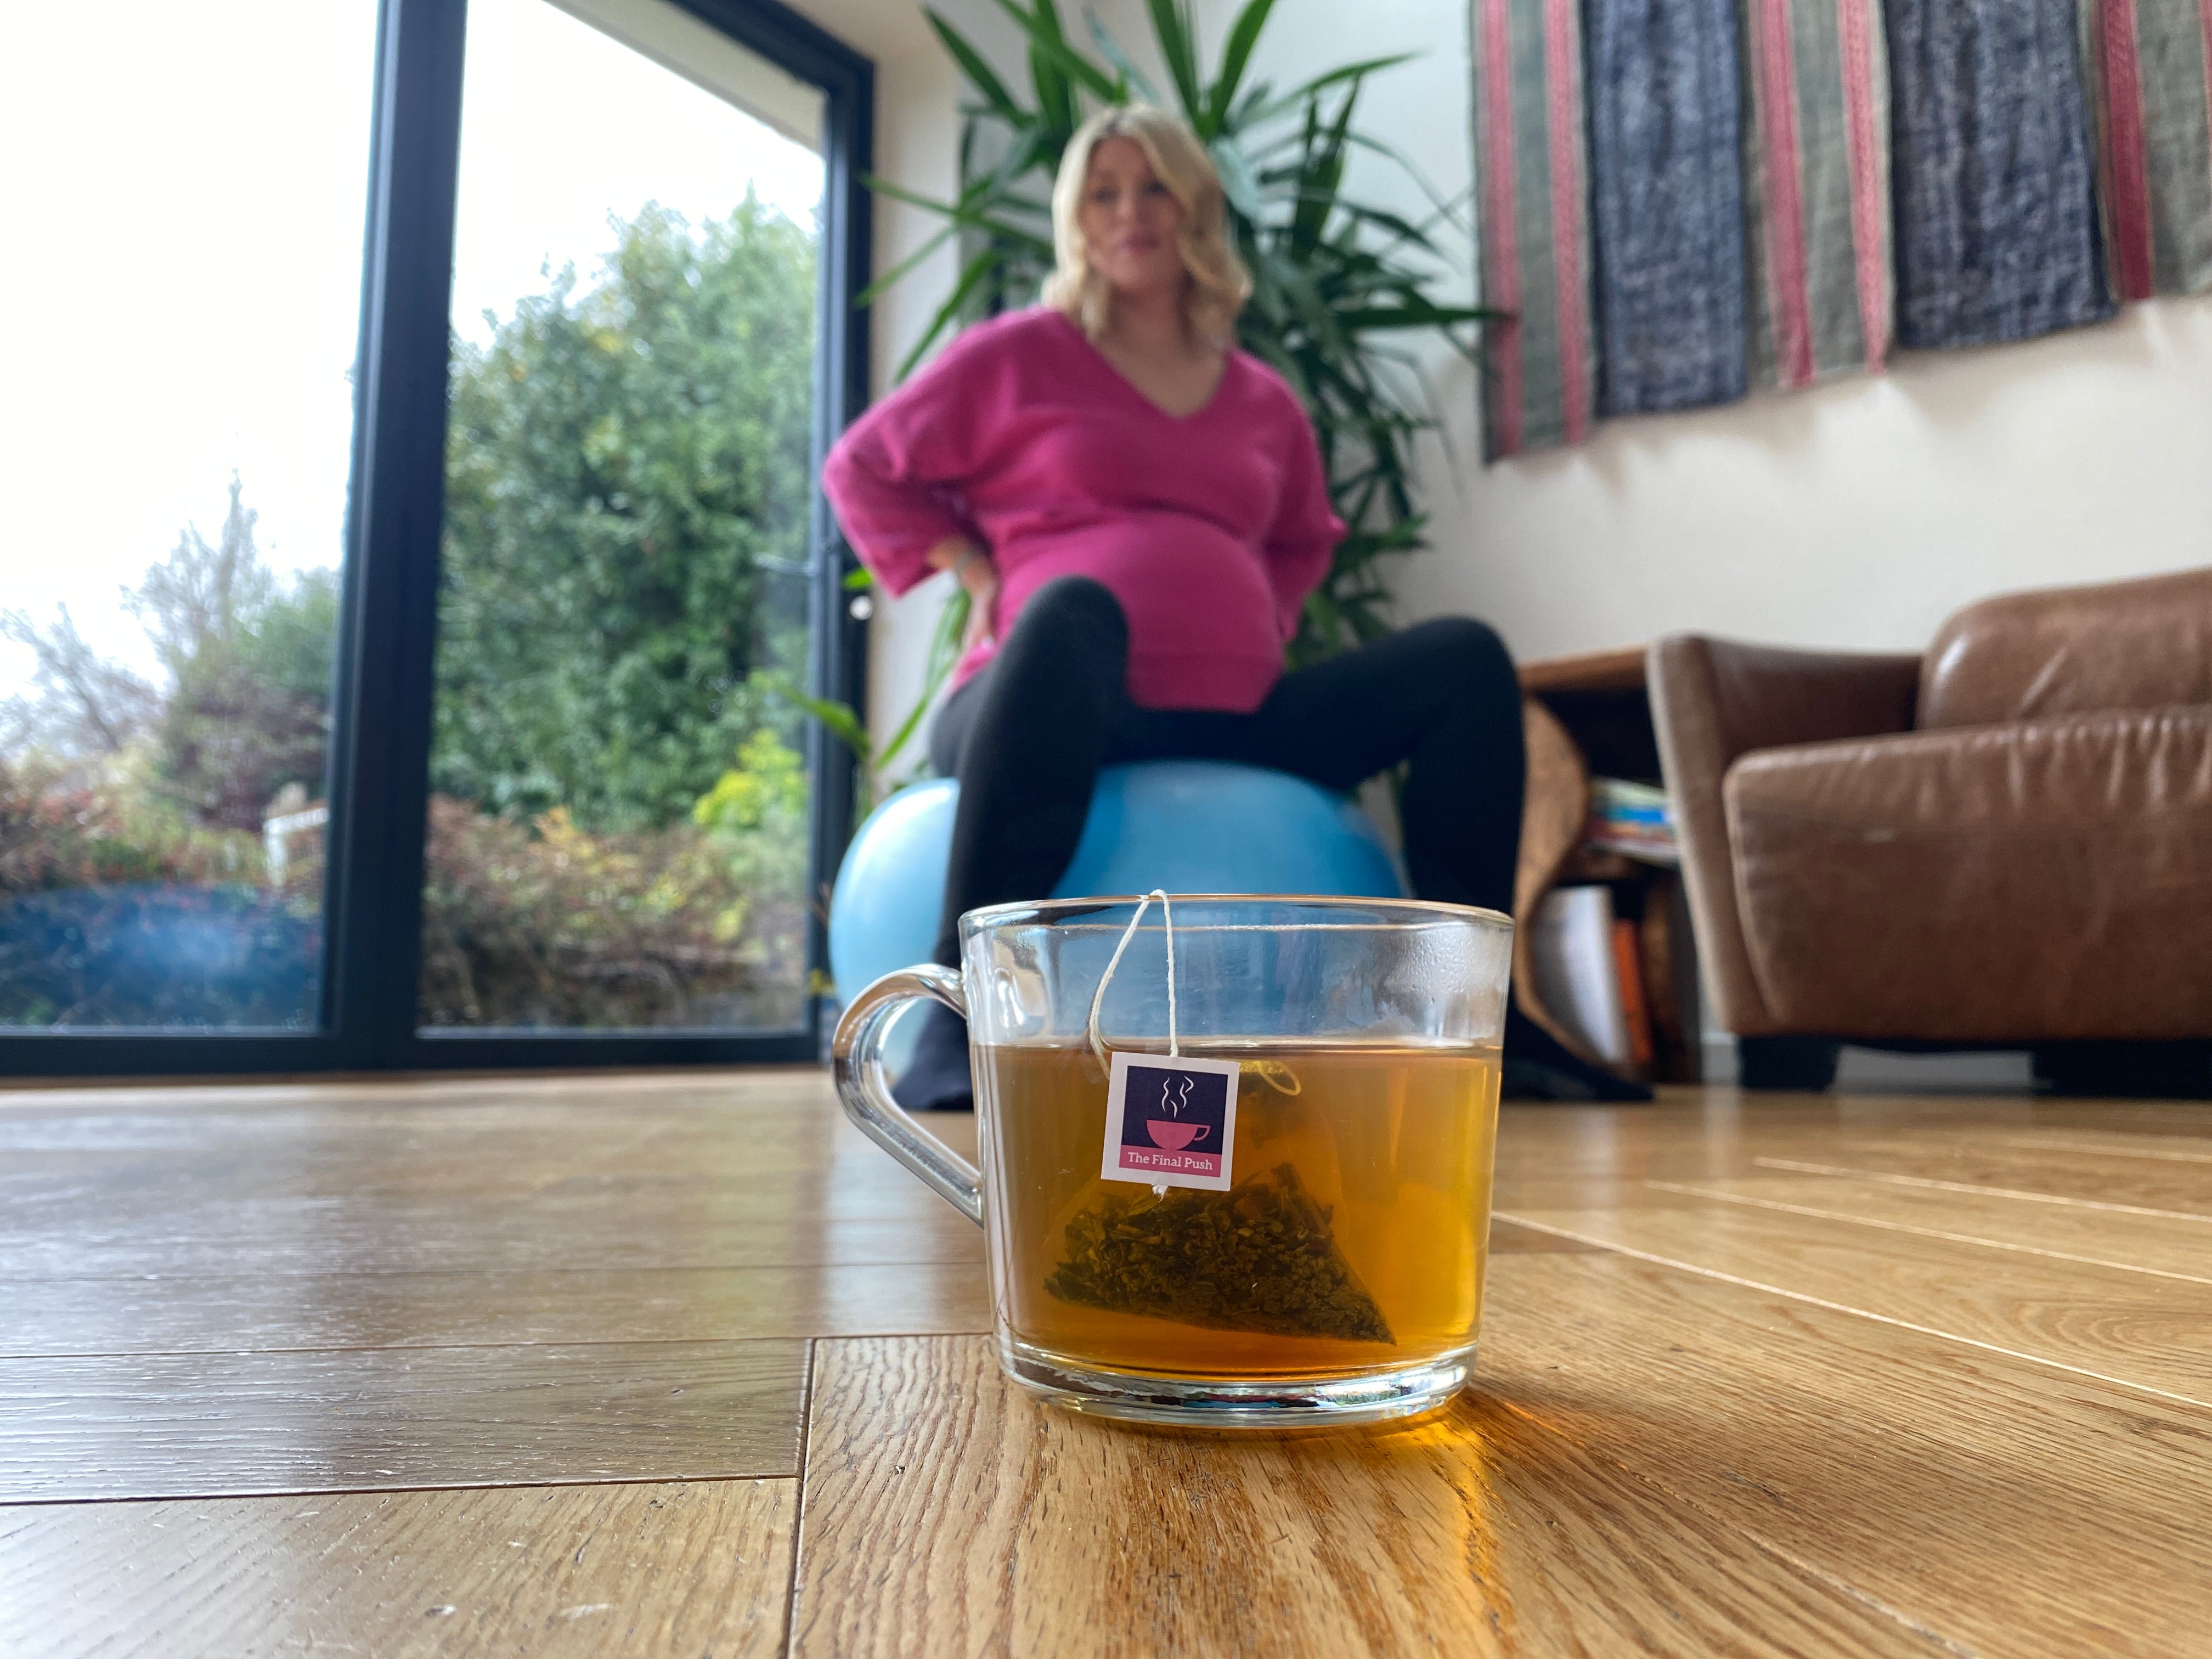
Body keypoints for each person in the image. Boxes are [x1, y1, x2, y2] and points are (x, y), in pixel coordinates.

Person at [823, 104, 1645, 1107]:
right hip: (1044, 707)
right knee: (1076, 607)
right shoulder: (1019, 355)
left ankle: (1477, 1021)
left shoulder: (1262, 398)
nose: (1132, 211)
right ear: (1075, 220)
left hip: (1233, 719)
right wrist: (975, 569)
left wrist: (1245, 621)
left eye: (1155, 185)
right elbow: (862, 467)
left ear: (1197, 208)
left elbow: (1302, 539)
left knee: (1464, 658)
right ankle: (961, 1021)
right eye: (1103, 191)